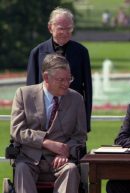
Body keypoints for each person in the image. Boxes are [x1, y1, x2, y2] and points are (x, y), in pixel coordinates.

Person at [11, 53, 87, 193]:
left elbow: (80, 136)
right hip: (30, 158)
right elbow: (17, 131)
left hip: (61, 161)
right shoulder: (23, 94)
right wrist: (45, 142)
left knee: (71, 170)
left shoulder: (76, 99)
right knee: (21, 169)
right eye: (61, 80)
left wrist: (65, 151)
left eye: (69, 78)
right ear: (46, 77)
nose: (66, 84)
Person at [26, 7, 92, 132]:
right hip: (43, 118)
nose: (65, 32)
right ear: (50, 27)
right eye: (61, 28)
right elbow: (30, 90)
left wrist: (85, 122)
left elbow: (88, 89)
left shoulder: (82, 52)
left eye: (69, 29)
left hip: (72, 116)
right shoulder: (37, 52)